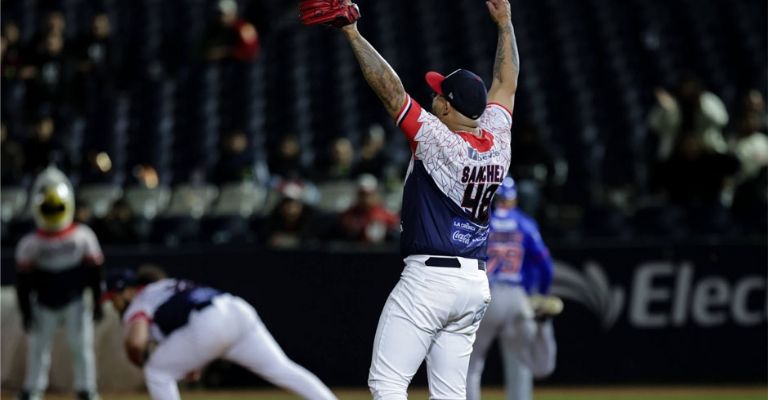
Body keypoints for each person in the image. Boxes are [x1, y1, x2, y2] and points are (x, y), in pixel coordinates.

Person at [325, 0, 517, 397]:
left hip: (431, 279)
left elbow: (392, 92)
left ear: (447, 106)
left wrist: (352, 33)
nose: (433, 98)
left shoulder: (437, 139)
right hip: (474, 283)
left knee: (387, 382)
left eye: (438, 94)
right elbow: (508, 81)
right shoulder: (498, 137)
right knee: (449, 395)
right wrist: (505, 23)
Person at [104, 265, 337, 400]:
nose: (112, 304)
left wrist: (135, 355)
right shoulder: (163, 287)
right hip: (236, 310)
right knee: (283, 369)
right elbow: (184, 336)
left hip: (208, 323)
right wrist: (189, 364)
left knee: (156, 371)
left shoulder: (138, 301)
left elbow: (136, 341)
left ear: (125, 291)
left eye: (113, 298)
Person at [466, 177, 562, 400]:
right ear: (514, 198)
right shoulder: (525, 223)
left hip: (485, 296)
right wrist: (540, 293)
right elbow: (546, 266)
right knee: (520, 365)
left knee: (471, 364)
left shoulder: (479, 221)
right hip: (517, 297)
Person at [15, 166, 104, 400]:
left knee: (81, 348)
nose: (53, 212)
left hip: (75, 301)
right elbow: (23, 282)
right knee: (37, 349)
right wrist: (25, 310)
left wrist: (97, 301)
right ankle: (32, 389)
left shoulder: (83, 236)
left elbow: (95, 274)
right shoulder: (30, 244)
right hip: (43, 303)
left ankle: (86, 389)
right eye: (48, 208)